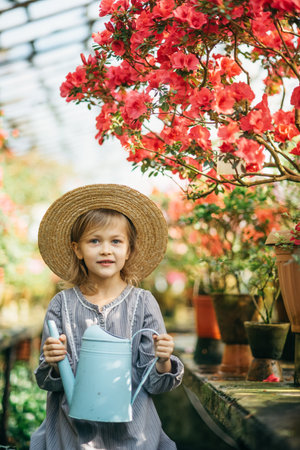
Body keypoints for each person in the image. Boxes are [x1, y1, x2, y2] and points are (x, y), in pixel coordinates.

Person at [30, 184, 184, 450]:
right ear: (77, 249)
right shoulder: (61, 305)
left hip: (134, 437)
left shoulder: (144, 303)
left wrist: (163, 361)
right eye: (94, 241)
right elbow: (47, 381)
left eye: (116, 241)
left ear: (129, 250)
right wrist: (54, 362)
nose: (105, 250)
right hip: (73, 435)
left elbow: (156, 384)